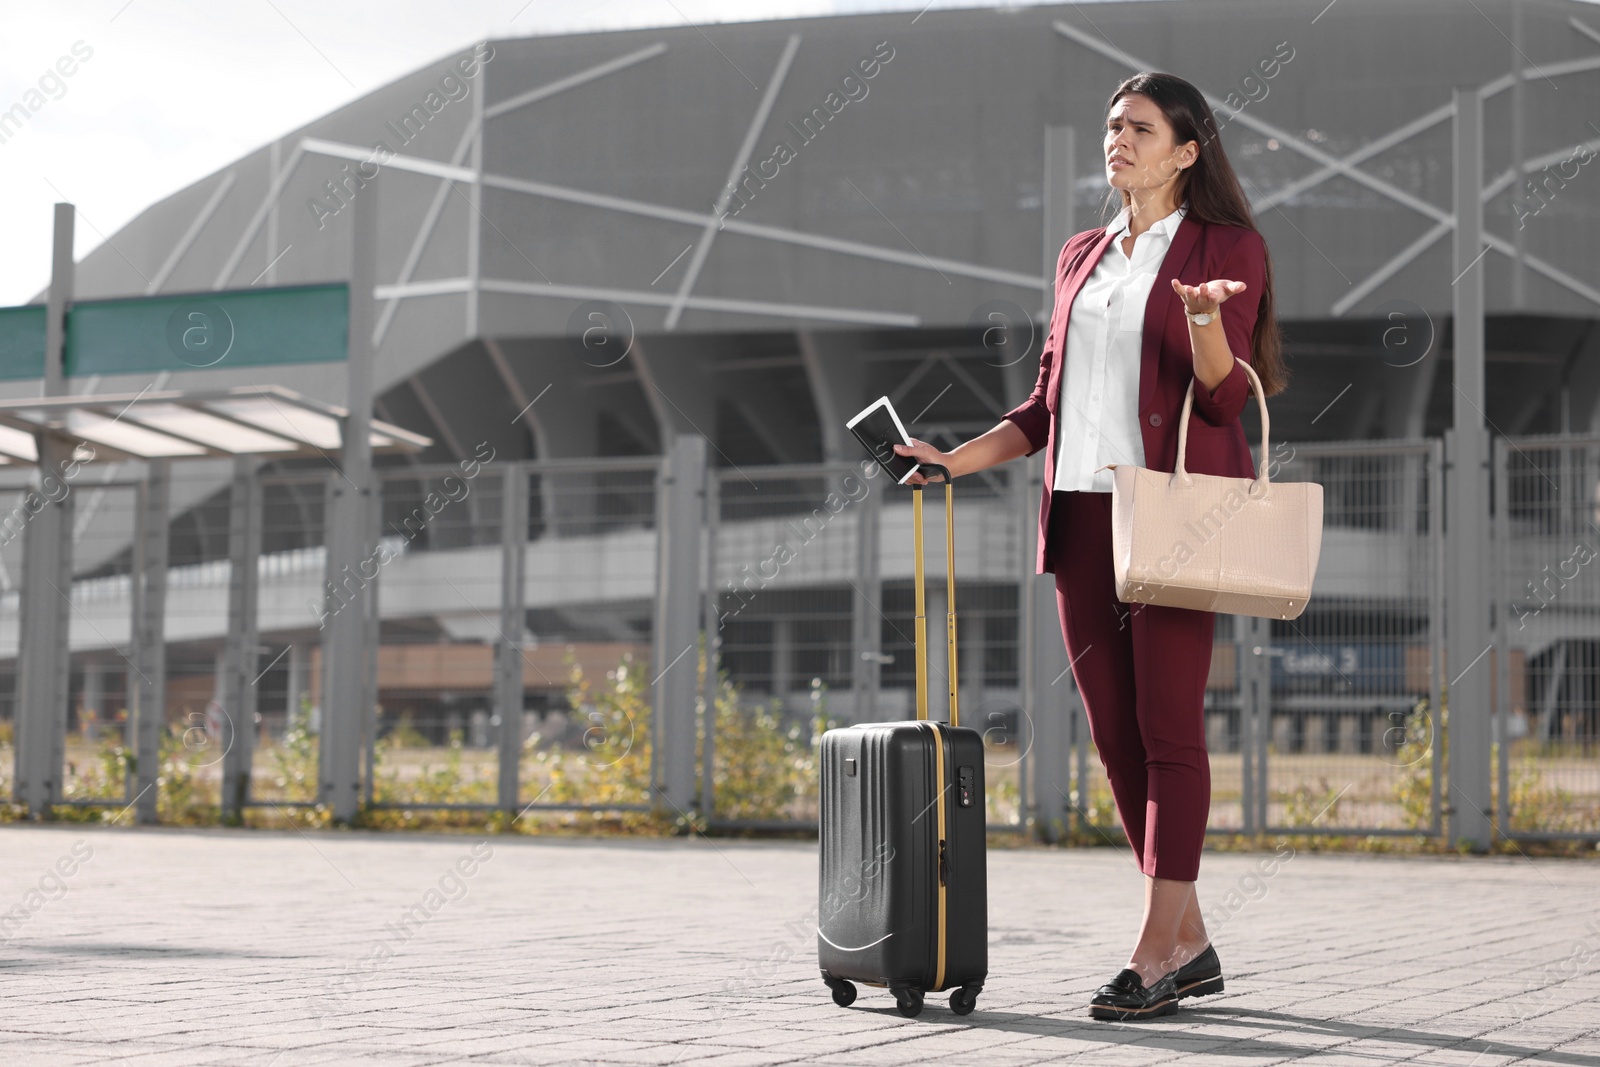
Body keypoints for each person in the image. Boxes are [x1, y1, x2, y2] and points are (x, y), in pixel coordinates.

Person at [893, 71, 1289, 1022]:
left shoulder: (1227, 247)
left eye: (1140, 128)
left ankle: (1154, 953)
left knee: (1168, 728)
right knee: (1115, 738)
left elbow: (1226, 395)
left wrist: (1203, 317)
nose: (1119, 139)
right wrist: (956, 459)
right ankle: (1190, 940)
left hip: (1173, 511)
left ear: (1186, 151)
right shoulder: (1081, 253)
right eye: (1112, 125)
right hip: (1077, 519)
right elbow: (1045, 403)